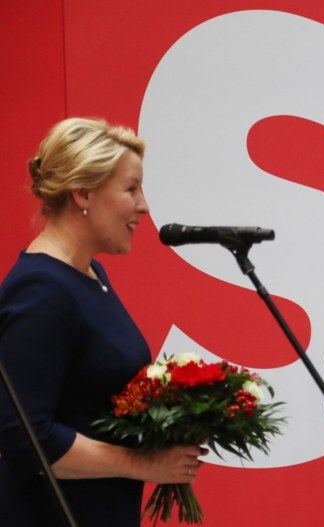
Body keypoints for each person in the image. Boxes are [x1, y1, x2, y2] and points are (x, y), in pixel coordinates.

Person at [0, 117, 206, 526]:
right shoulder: (41, 290)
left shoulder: (90, 276)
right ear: (82, 192)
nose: (144, 205)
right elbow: (27, 438)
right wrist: (145, 463)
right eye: (131, 189)